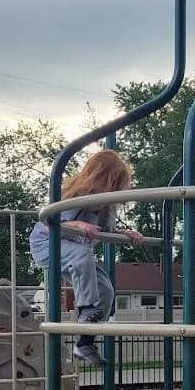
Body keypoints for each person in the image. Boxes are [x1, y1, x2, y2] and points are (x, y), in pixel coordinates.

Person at [29, 148, 143, 366]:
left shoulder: (106, 207)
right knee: (83, 255)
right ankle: (87, 310)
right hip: (47, 245)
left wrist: (126, 234)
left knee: (106, 290)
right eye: (109, 187)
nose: (108, 196)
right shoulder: (76, 197)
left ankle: (84, 343)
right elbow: (51, 222)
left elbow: (107, 233)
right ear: (96, 180)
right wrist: (79, 224)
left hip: (74, 255)